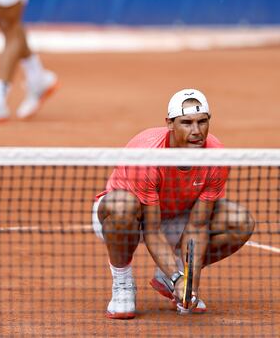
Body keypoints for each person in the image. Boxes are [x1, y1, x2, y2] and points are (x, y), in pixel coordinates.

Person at [92, 88, 255, 319]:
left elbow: (198, 226)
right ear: (170, 123)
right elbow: (152, 229)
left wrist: (189, 281)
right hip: (127, 220)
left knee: (240, 221)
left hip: (178, 217)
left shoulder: (216, 156)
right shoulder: (147, 155)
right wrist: (178, 278)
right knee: (122, 206)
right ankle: (123, 283)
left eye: (202, 122)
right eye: (186, 122)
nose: (196, 131)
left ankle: (168, 277)